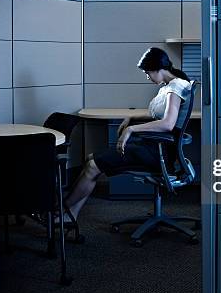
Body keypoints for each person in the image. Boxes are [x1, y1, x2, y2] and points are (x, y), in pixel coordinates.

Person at [64, 47, 191, 220]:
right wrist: (131, 117)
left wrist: (131, 129)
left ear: (157, 68)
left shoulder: (175, 87)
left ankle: (63, 211)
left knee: (93, 166)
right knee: (90, 160)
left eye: (148, 72)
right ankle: (71, 214)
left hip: (158, 152)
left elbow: (167, 124)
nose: (147, 77)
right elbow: (156, 115)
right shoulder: (171, 85)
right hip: (153, 147)